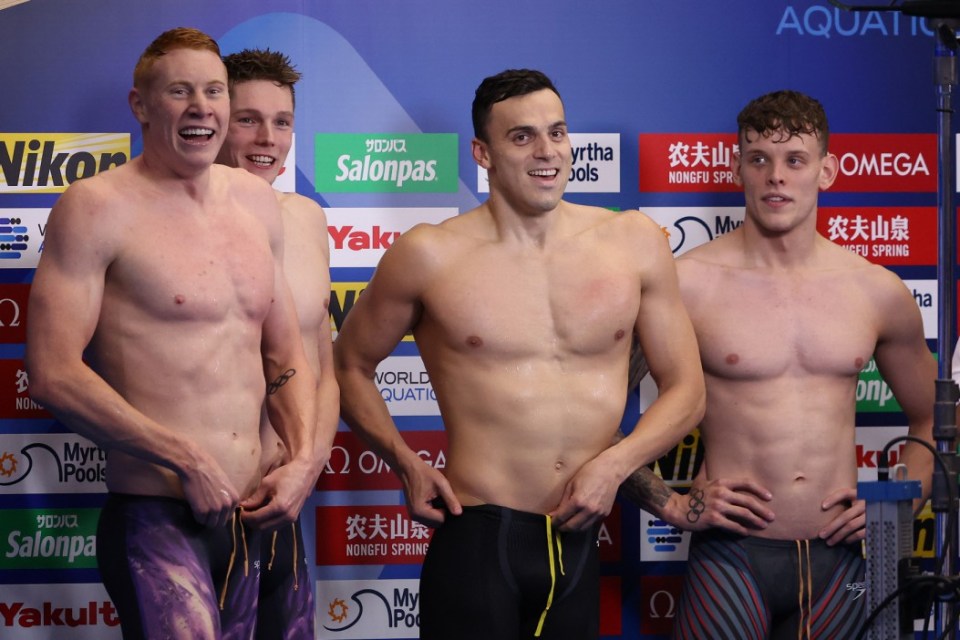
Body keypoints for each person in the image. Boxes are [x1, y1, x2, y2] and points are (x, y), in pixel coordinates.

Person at [333, 68, 705, 640]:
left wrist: (613, 465)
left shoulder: (633, 243)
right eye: (523, 136)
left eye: (557, 132)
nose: (547, 152)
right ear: (483, 152)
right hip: (478, 533)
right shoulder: (430, 255)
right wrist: (404, 461)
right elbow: (349, 364)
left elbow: (686, 390)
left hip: (578, 539)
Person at [24, 27, 320, 639]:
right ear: (141, 105)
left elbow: (285, 352)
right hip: (158, 516)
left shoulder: (256, 206)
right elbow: (53, 373)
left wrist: (301, 460)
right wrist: (184, 457)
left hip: (262, 514)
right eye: (179, 90)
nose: (201, 106)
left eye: (213, 91)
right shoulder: (95, 207)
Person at [619, 89, 936, 640]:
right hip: (730, 556)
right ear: (737, 167)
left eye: (795, 160)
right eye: (759, 158)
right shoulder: (687, 284)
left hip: (849, 558)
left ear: (827, 170)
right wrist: (670, 505)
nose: (776, 177)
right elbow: (592, 414)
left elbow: (933, 421)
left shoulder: (876, 291)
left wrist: (893, 509)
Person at [217, 47, 339, 640]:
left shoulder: (309, 219)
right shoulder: (155, 216)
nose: (268, 137)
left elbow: (326, 366)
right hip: (194, 505)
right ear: (214, 118)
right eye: (248, 119)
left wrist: (306, 465)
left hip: (283, 503)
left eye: (283, 121)